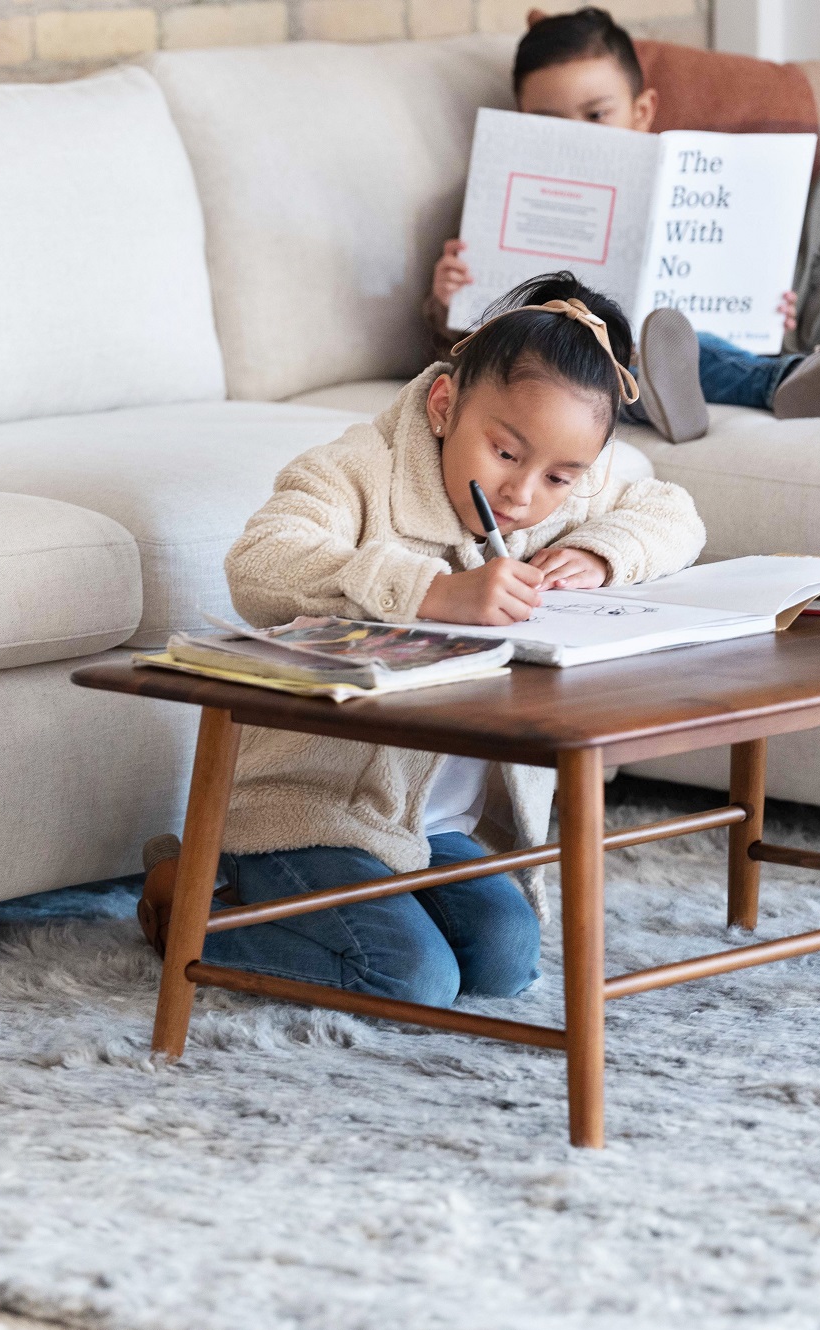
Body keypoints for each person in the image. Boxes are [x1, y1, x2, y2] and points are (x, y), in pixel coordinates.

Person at [168, 271, 705, 1011]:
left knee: (506, 961)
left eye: (560, 474)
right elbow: (259, 562)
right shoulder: (356, 470)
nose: (523, 495)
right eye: (506, 453)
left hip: (433, 826)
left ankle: (335, 910)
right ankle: (189, 904)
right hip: (309, 813)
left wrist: (603, 551)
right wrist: (428, 591)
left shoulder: (554, 499)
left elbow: (673, 513)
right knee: (413, 979)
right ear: (445, 403)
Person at [427, 6, 820, 444]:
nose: (577, 134)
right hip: (554, 356)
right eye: (550, 119)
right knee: (594, 367)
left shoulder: (677, 178)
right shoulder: (497, 188)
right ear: (522, 121)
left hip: (659, 342)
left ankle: (789, 376)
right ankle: (665, 393)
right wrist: (446, 300)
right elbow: (462, 343)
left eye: (596, 114)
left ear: (642, 112)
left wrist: (764, 315)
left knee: (687, 343)